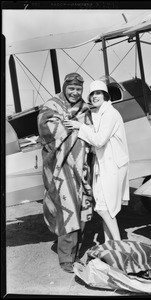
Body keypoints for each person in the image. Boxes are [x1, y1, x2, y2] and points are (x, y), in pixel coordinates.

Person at [37, 72, 93, 273]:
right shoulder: (52, 106)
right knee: (67, 212)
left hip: (81, 169)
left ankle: (74, 253)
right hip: (60, 169)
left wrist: (78, 127)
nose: (75, 93)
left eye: (78, 89)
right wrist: (73, 127)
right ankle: (66, 259)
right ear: (64, 88)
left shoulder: (85, 108)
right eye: (71, 89)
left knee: (80, 210)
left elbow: (91, 132)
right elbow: (45, 127)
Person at [63, 80, 130, 242]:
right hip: (104, 165)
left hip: (113, 165)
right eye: (92, 94)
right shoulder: (101, 113)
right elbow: (96, 131)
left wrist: (80, 127)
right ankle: (109, 244)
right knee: (105, 206)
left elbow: (99, 140)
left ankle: (117, 241)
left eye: (98, 93)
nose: (94, 97)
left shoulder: (110, 114)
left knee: (103, 208)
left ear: (105, 95)